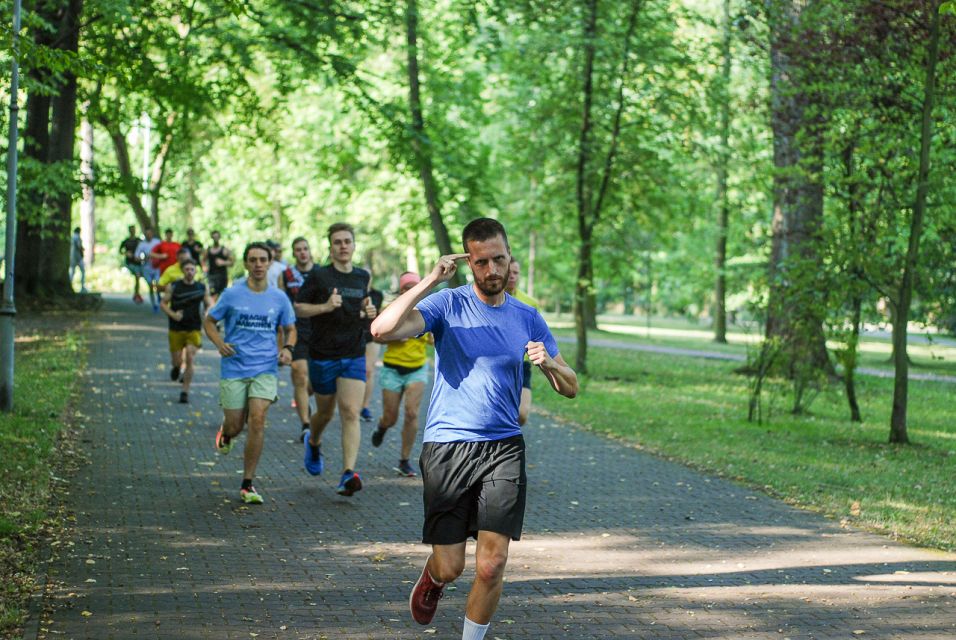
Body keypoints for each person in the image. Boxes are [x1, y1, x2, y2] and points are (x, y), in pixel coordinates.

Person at [370, 218, 578, 639]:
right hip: (448, 446)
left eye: (499, 259)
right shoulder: (448, 305)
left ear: (508, 256)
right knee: (452, 566)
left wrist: (550, 363)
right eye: (482, 262)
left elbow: (571, 387)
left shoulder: (528, 316)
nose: (492, 270)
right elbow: (381, 329)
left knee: (491, 564)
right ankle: (432, 577)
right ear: (469, 263)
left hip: (503, 447)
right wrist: (431, 278)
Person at [203, 242, 297, 505]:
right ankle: (227, 432)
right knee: (236, 424)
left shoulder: (279, 297)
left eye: (262, 259)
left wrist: (288, 349)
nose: (258, 264)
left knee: (257, 419)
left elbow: (290, 328)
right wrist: (219, 343)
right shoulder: (232, 294)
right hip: (234, 366)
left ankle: (247, 483)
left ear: (270, 263)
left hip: (265, 367)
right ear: (245, 263)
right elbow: (209, 320)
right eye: (253, 260)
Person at [294, 222, 378, 497]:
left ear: (354, 245)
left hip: (353, 352)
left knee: (350, 412)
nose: (343, 246)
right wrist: (325, 307)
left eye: (347, 241)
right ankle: (313, 440)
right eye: (338, 242)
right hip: (323, 354)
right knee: (325, 413)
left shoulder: (362, 276)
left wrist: (369, 311)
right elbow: (299, 308)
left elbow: (364, 308)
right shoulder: (319, 276)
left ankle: (347, 473)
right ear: (330, 247)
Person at [369, 272, 430, 477]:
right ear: (401, 290)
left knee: (412, 413)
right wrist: (393, 339)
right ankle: (382, 426)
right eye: (406, 287)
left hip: (417, 369)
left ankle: (404, 460)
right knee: (391, 417)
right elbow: (376, 338)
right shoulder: (392, 310)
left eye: (414, 285)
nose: (410, 290)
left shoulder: (427, 310)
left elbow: (435, 336)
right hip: (392, 369)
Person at [279, 237, 321, 440]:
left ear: (310, 251)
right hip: (296, 330)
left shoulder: (321, 272)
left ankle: (307, 399)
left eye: (305, 248)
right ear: (294, 253)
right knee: (300, 376)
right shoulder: (286, 275)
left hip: (320, 331)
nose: (302, 252)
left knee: (314, 383)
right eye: (298, 250)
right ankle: (306, 423)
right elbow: (280, 304)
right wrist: (282, 343)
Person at [160, 259, 212, 403]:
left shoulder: (201, 287)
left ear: (196, 271)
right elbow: (163, 303)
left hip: (194, 327)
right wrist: (173, 315)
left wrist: (208, 312)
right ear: (183, 271)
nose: (189, 272)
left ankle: (185, 391)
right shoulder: (174, 286)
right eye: (187, 269)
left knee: (190, 357)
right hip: (176, 328)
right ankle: (176, 368)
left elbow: (209, 303)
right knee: (177, 360)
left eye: (192, 269)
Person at [505, 259, 541, 426]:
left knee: (522, 414)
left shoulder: (530, 303)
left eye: (516, 273)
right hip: (497, 364)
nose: (512, 276)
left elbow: (537, 334)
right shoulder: (488, 300)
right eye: (509, 272)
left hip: (522, 365)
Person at [360, 283, 384, 422]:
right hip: (354, 334)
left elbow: (379, 312)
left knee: (368, 371)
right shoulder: (355, 291)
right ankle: (352, 402)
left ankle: (365, 406)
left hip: (371, 335)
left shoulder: (377, 295)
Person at [135, 228, 162, 312]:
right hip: (146, 268)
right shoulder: (142, 244)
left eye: (150, 233)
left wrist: (157, 257)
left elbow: (163, 253)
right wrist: (144, 259)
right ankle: (154, 304)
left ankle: (159, 299)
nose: (148, 235)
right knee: (150, 286)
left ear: (152, 234)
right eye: (146, 234)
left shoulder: (157, 242)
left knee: (157, 285)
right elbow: (136, 257)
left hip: (157, 267)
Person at [205, 230, 234, 301]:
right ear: (211, 237)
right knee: (212, 295)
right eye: (214, 237)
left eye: (217, 236)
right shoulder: (208, 250)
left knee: (222, 296)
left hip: (222, 277)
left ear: (219, 237)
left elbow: (232, 262)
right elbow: (203, 260)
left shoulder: (224, 250)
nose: (215, 238)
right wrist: (204, 268)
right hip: (211, 276)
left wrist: (223, 262)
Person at [119, 225, 144, 303]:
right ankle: (136, 294)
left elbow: (144, 249)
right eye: (131, 230)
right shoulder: (126, 241)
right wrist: (126, 253)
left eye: (133, 229)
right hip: (129, 262)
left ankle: (137, 293)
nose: (132, 231)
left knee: (138, 277)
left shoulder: (138, 240)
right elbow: (120, 251)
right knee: (137, 276)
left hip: (138, 262)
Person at [68, 227, 87, 293]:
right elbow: (79, 246)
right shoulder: (77, 237)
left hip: (72, 257)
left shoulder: (71, 237)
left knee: (72, 272)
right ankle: (82, 287)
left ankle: (69, 284)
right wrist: (82, 249)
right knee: (83, 271)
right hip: (78, 258)